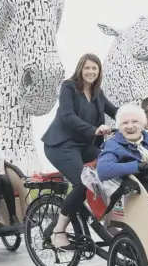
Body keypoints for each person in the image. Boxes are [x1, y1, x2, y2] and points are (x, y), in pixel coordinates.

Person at [41, 53, 119, 250]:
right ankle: (58, 232)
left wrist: (134, 119)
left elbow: (115, 111)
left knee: (114, 171)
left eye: (95, 68)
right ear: (80, 69)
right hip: (61, 144)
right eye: (87, 68)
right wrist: (94, 130)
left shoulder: (98, 93)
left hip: (84, 146)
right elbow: (67, 115)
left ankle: (110, 222)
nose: (91, 72)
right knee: (83, 183)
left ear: (99, 71)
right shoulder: (69, 87)